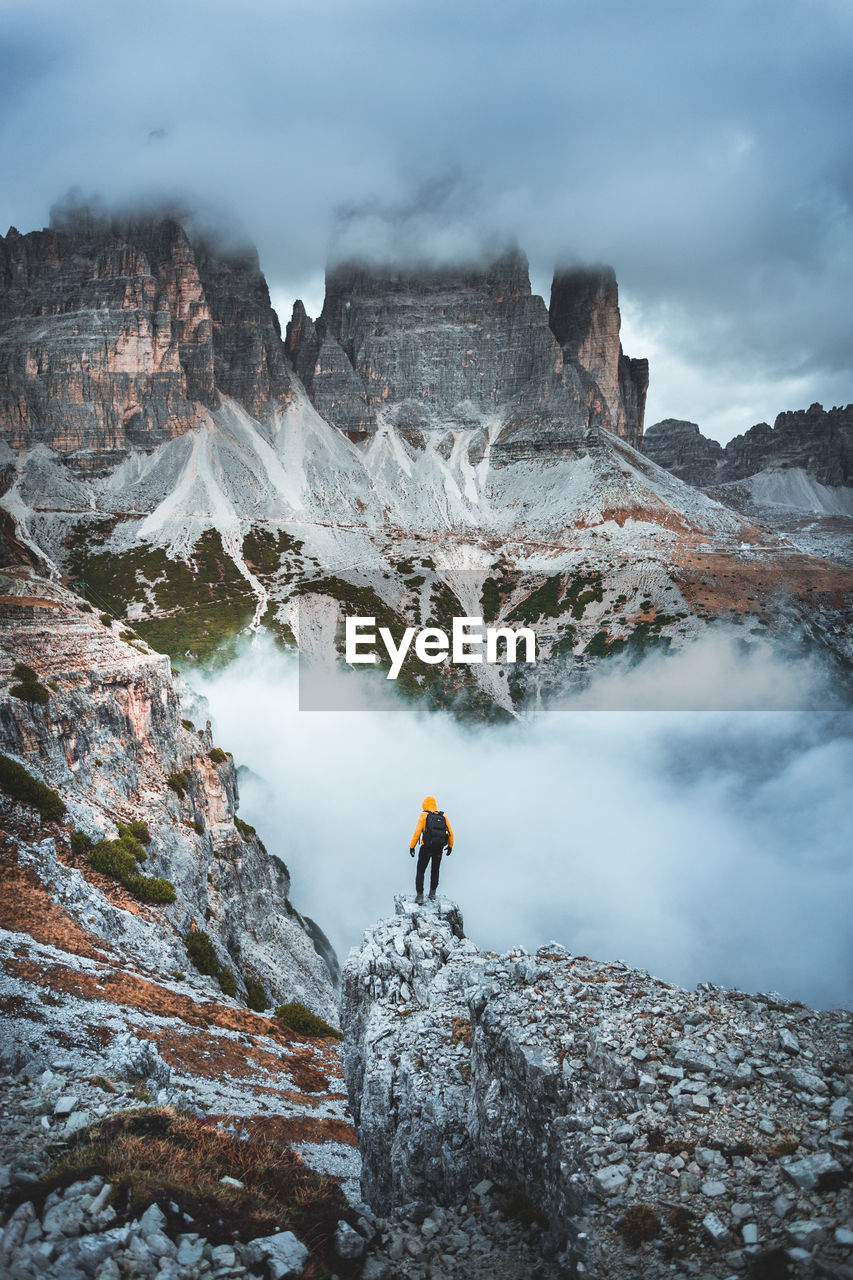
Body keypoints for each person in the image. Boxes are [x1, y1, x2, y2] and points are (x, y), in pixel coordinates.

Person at [409, 795, 454, 903]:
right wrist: (450, 846)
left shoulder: (424, 815)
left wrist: (412, 846)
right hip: (439, 848)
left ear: (424, 804)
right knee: (435, 869)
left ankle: (420, 896)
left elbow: (417, 832)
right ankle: (432, 894)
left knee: (421, 870)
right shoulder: (443, 815)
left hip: (426, 847)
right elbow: (451, 833)